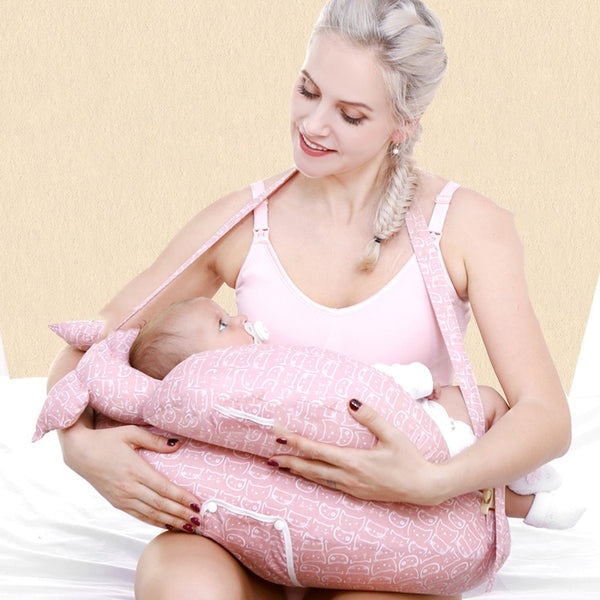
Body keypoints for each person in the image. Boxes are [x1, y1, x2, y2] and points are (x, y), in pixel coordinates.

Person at [46, 1, 573, 598]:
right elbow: (93, 341)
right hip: (244, 529)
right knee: (181, 585)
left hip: (392, 530)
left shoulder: (467, 227)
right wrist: (81, 449)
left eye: (350, 114)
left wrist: (432, 482)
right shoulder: (242, 223)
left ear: (403, 124)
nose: (314, 125)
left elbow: (545, 415)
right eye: (307, 90)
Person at [127, 296, 581, 531]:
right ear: (204, 371)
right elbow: (349, 386)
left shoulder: (253, 390)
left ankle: (527, 494)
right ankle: (528, 494)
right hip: (403, 434)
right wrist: (416, 379)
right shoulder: (262, 380)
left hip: (394, 450)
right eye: (224, 324)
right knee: (484, 403)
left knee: (472, 440)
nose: (242, 320)